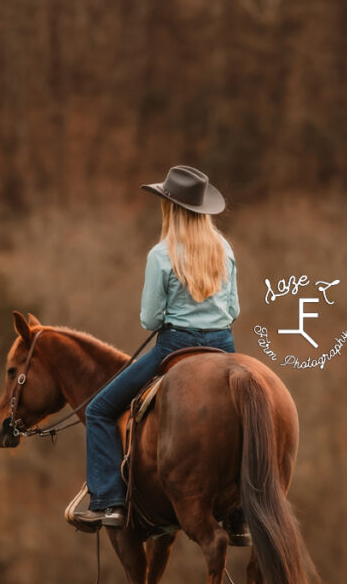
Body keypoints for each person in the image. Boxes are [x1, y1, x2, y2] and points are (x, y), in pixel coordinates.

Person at [75, 164, 248, 542]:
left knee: (99, 410)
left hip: (176, 346)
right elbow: (233, 310)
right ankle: (240, 514)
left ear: (169, 208)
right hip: (223, 346)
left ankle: (110, 501)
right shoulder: (225, 249)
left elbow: (150, 318)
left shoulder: (161, 254)